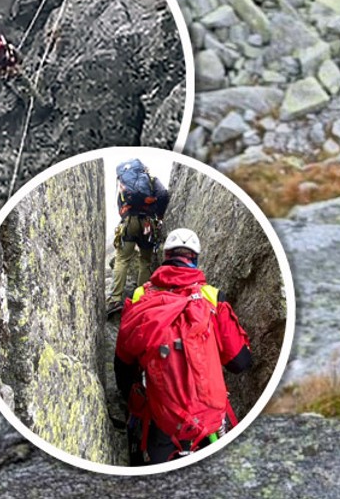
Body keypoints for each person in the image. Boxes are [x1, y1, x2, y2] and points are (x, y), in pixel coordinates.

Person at [114, 229, 254, 464]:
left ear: (166, 257)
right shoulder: (211, 296)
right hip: (209, 416)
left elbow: (123, 363)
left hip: (162, 419)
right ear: (194, 259)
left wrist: (131, 397)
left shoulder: (140, 295)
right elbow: (240, 363)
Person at [108, 159, 171, 314]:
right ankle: (141, 300)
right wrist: (158, 213)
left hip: (129, 222)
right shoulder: (150, 180)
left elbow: (120, 206)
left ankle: (115, 300)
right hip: (148, 224)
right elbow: (163, 194)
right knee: (145, 260)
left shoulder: (123, 183)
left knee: (122, 259)